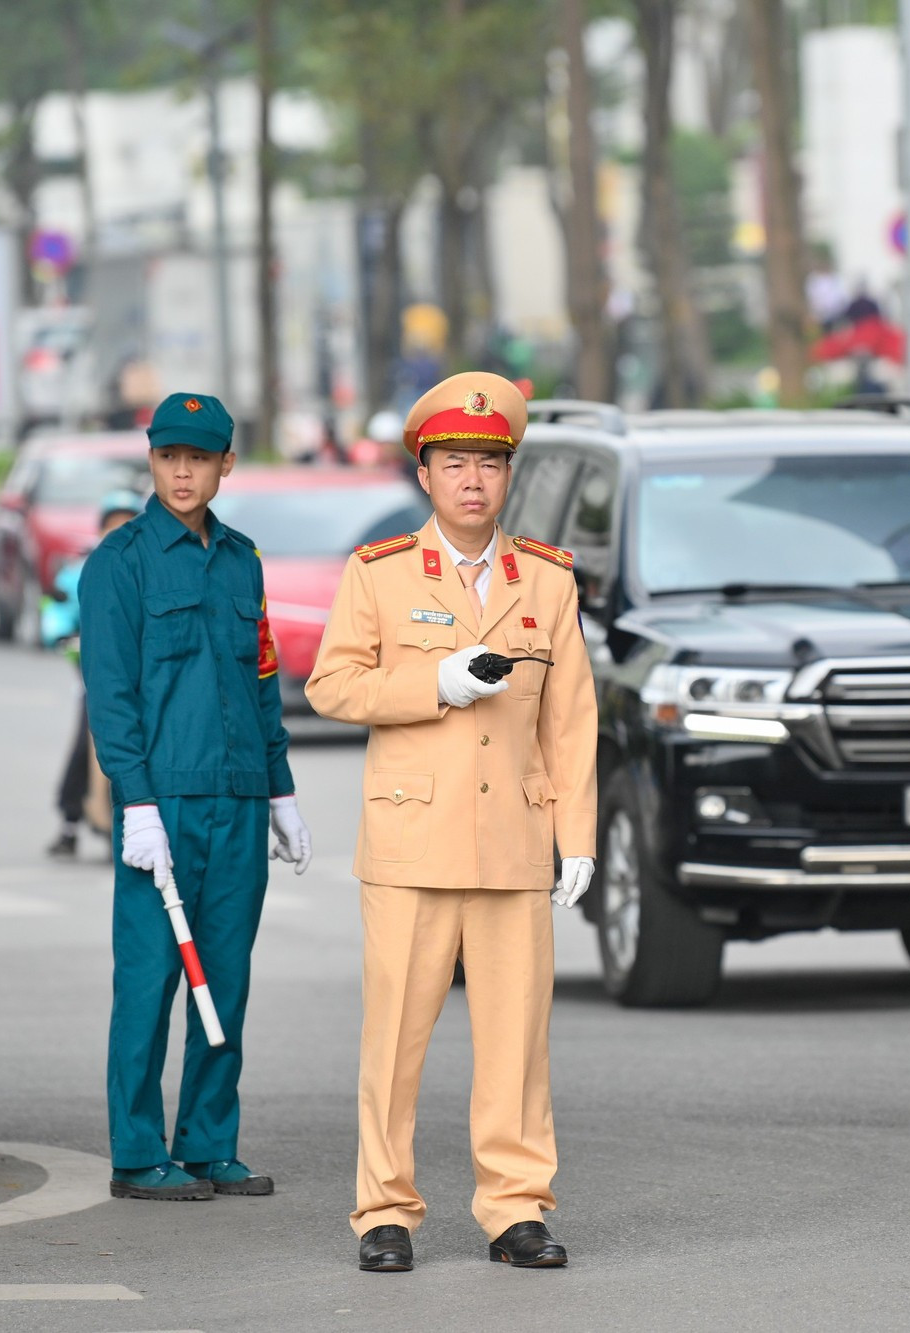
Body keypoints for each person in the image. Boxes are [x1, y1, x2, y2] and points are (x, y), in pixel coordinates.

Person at [306, 371, 598, 1275]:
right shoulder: (381, 572)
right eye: (454, 463)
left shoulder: (544, 581)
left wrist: (578, 837)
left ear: (508, 476)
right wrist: (432, 684)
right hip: (412, 845)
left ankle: (515, 1209)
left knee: (516, 1042)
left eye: (489, 463)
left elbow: (573, 717)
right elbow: (331, 685)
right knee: (394, 1039)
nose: (473, 480)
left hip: (515, 839)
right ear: (425, 474)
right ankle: (383, 1211)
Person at [79, 392, 313, 1202]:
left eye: (199, 458)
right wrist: (134, 801)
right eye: (170, 456)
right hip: (164, 804)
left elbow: (261, 682)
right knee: (149, 978)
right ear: (151, 461)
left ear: (225, 465)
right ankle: (138, 1151)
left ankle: (210, 1141)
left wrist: (279, 789)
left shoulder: (243, 560)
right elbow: (111, 696)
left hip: (240, 800)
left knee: (228, 975)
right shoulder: (121, 561)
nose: (183, 471)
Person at [47, 489, 144, 859]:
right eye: (112, 524)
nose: (119, 531)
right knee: (84, 749)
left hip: (141, 681)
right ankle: (71, 820)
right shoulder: (81, 570)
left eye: (127, 524)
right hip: (97, 680)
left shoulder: (150, 569)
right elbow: (56, 610)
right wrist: (62, 635)